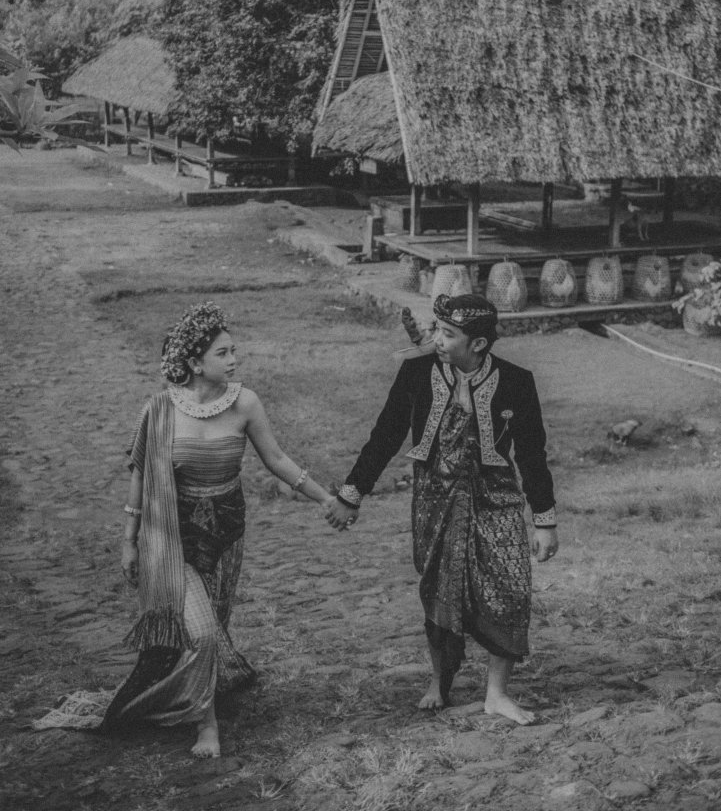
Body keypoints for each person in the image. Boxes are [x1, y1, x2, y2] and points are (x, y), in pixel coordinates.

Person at [36, 301, 333, 756]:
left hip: (226, 533)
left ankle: (194, 693)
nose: (233, 360)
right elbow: (140, 477)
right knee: (202, 633)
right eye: (222, 353)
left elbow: (277, 459)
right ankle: (205, 726)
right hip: (171, 538)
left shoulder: (246, 403)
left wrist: (325, 498)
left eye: (234, 351)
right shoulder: (159, 410)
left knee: (213, 626)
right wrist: (129, 542)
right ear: (195, 363)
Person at [325, 293, 557, 725]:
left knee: (511, 587)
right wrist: (351, 494)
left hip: (497, 500)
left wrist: (544, 520)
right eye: (436, 329)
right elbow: (386, 434)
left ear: (478, 344)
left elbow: (532, 454)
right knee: (439, 587)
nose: (436, 340)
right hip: (435, 500)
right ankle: (439, 679)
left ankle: (497, 694)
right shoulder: (417, 373)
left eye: (448, 334)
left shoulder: (516, 382)